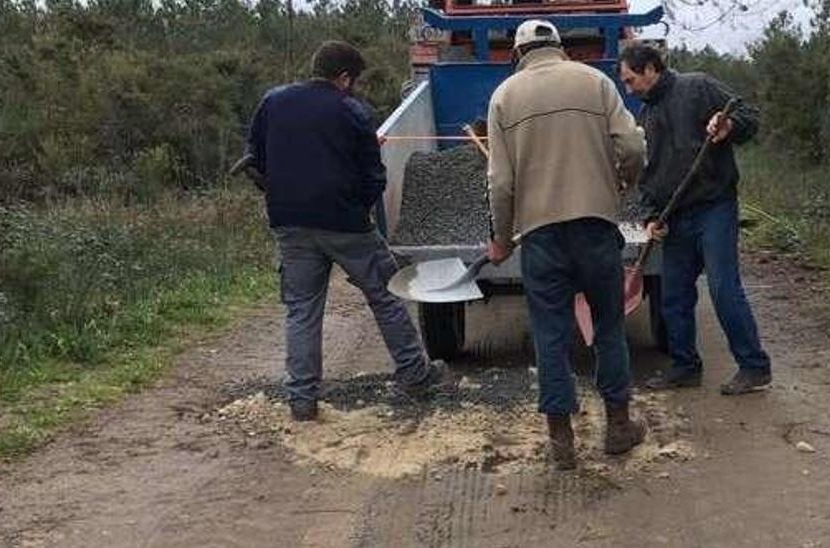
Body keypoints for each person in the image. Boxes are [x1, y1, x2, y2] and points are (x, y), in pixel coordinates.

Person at [247, 40, 446, 422]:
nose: (353, 87)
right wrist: (359, 209)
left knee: (302, 311)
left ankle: (302, 400)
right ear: (343, 78)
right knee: (387, 295)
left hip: (290, 223)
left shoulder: (273, 101)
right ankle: (415, 376)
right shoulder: (352, 111)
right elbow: (374, 177)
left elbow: (256, 159)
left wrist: (280, 193)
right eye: (352, 81)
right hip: (346, 225)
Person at [484, 20, 648, 470]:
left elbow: (500, 182)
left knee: (550, 334)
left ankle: (561, 441)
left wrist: (500, 240)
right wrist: (621, 184)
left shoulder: (505, 96)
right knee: (608, 326)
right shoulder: (595, 81)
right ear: (560, 48)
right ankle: (618, 427)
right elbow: (633, 145)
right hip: (595, 227)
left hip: (540, 236)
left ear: (518, 55)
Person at [617, 43, 773, 396]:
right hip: (676, 217)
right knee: (673, 296)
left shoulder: (699, 86)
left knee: (723, 288)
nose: (629, 90)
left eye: (630, 80)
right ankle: (685, 367)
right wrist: (651, 217)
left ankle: (754, 367)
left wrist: (729, 124)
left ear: (651, 69)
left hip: (714, 207)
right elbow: (649, 177)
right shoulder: (646, 117)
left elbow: (751, 117)